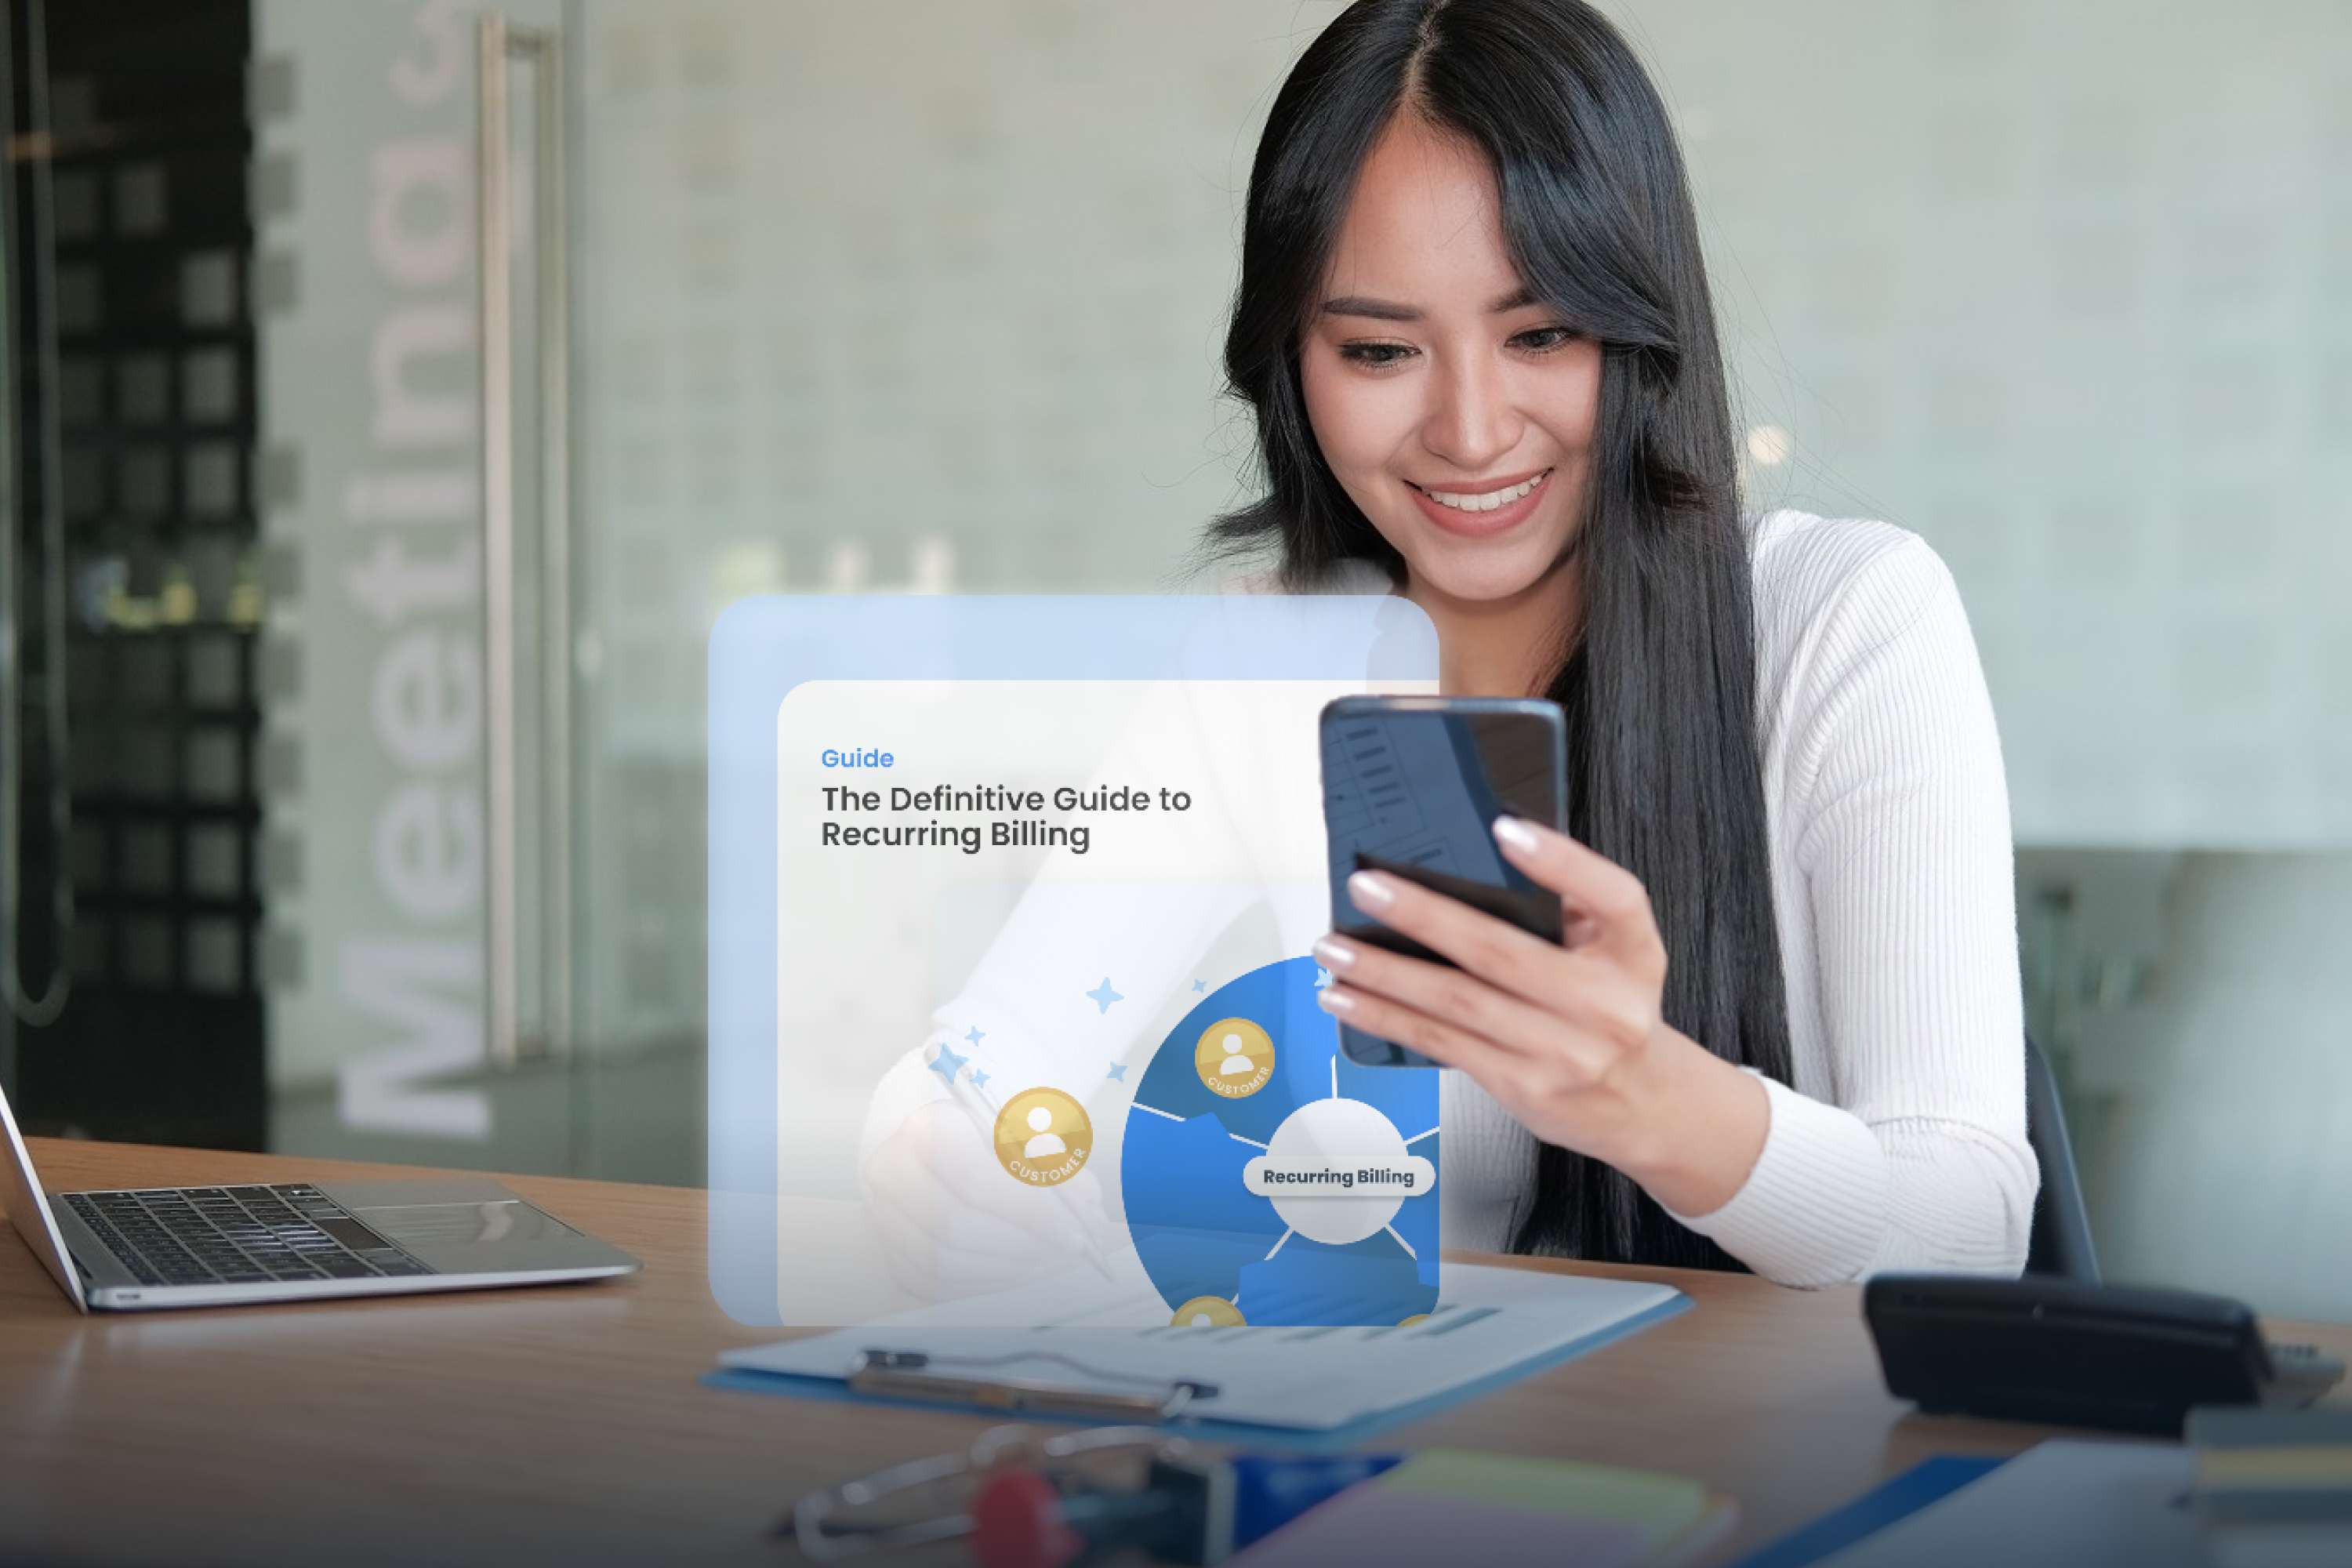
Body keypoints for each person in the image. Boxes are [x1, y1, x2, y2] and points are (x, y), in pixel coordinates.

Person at [862, 0, 2037, 1290]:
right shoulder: (1263, 661)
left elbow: (1968, 1228)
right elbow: (985, 1064)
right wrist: (929, 1152)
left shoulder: (1846, 621)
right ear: (1288, 367)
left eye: (1541, 335)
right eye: (1378, 349)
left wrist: (1650, 1099)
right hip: (1407, 1459)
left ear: (1643, 332)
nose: (1472, 434)